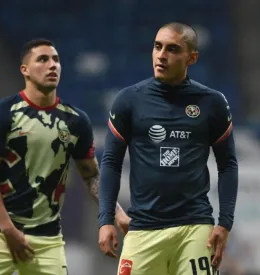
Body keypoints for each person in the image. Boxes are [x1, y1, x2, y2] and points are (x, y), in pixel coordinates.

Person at [0, 39, 130, 275]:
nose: (52, 65)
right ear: (25, 70)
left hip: (47, 240)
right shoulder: (2, 113)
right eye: (43, 59)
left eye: (56, 60)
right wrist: (8, 230)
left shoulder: (75, 121)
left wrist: (118, 213)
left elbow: (92, 176)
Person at [97, 22, 239, 275]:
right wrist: (105, 219)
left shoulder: (212, 102)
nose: (161, 55)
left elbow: (227, 164)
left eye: (173, 49)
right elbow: (110, 162)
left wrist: (225, 223)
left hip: (195, 228)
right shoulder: (129, 100)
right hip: (142, 228)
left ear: (191, 58)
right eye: (157, 46)